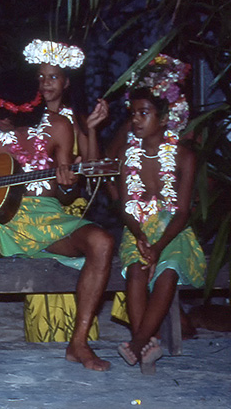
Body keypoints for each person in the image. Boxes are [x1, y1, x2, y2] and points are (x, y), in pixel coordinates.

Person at [0, 67, 114, 371]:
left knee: (102, 241)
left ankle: (79, 343)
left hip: (48, 215)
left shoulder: (59, 126)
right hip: (2, 217)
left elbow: (65, 196)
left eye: (8, 117)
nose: (2, 121)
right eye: (0, 114)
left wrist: (69, 184)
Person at [114, 55, 205, 374]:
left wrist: (159, 246)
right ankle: (149, 346)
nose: (136, 120)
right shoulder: (129, 155)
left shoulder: (183, 155)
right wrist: (140, 237)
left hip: (172, 231)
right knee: (137, 272)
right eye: (133, 113)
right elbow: (126, 207)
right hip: (138, 227)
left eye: (144, 113)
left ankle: (138, 344)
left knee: (167, 271)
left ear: (164, 118)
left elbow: (182, 211)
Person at [21, 39, 109, 344]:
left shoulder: (76, 120)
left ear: (66, 82)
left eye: (54, 77)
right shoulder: (22, 119)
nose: (46, 84)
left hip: (69, 208)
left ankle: (78, 337)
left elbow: (95, 169)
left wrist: (93, 130)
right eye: (41, 77)